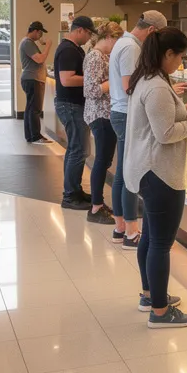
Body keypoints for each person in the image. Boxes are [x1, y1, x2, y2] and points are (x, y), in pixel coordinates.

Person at [122, 27, 187, 328]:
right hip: (159, 172)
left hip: (147, 169)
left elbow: (158, 120)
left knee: (150, 236)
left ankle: (150, 295)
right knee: (160, 243)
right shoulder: (157, 86)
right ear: (167, 54)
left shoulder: (148, 78)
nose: (181, 63)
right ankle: (159, 311)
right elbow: (165, 133)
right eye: (180, 57)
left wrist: (186, 109)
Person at [108, 10, 184, 247]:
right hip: (124, 113)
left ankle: (122, 226)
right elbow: (129, 84)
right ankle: (129, 228)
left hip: (120, 111)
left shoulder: (123, 42)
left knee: (124, 170)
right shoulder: (132, 49)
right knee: (126, 171)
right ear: (152, 31)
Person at [54, 16, 97, 212]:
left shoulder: (74, 49)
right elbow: (67, 80)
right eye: (88, 33)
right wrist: (93, 80)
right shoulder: (68, 50)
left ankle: (75, 190)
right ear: (79, 30)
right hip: (70, 105)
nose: (88, 38)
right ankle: (70, 195)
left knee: (76, 149)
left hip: (74, 105)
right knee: (79, 150)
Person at [84, 21, 123, 222]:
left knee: (104, 160)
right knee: (101, 161)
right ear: (108, 37)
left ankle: (98, 202)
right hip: (101, 115)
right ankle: (96, 207)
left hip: (106, 114)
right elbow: (90, 91)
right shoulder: (95, 57)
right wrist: (115, 81)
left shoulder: (102, 56)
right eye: (117, 40)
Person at [20, 21, 52, 144]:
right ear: (35, 31)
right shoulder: (27, 43)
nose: (40, 36)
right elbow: (40, 59)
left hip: (32, 78)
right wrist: (48, 45)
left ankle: (31, 136)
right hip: (33, 79)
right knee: (35, 109)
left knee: (30, 108)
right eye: (40, 33)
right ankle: (35, 136)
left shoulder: (28, 43)